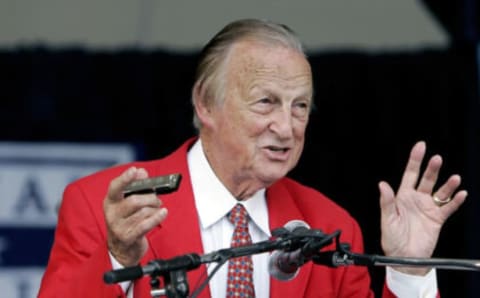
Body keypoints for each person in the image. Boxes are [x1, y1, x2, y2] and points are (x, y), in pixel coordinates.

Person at [38, 18, 467, 298]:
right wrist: (120, 256)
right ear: (206, 104)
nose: (287, 126)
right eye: (266, 102)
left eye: (300, 106)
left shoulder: (332, 227)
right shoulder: (106, 207)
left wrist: (410, 271)